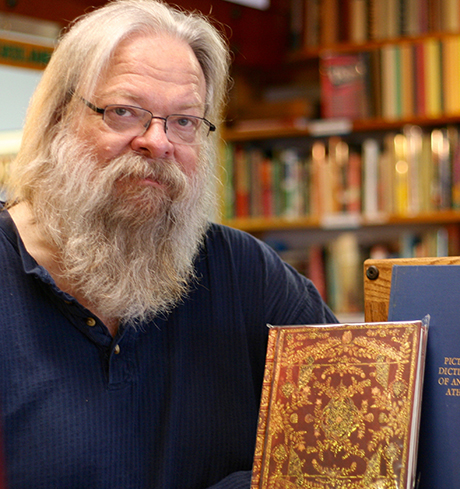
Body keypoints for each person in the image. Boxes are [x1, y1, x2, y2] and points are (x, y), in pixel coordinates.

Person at [0, 0, 337, 487]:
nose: (157, 142)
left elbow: (367, 433)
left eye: (183, 121)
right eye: (123, 111)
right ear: (56, 118)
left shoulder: (244, 272)